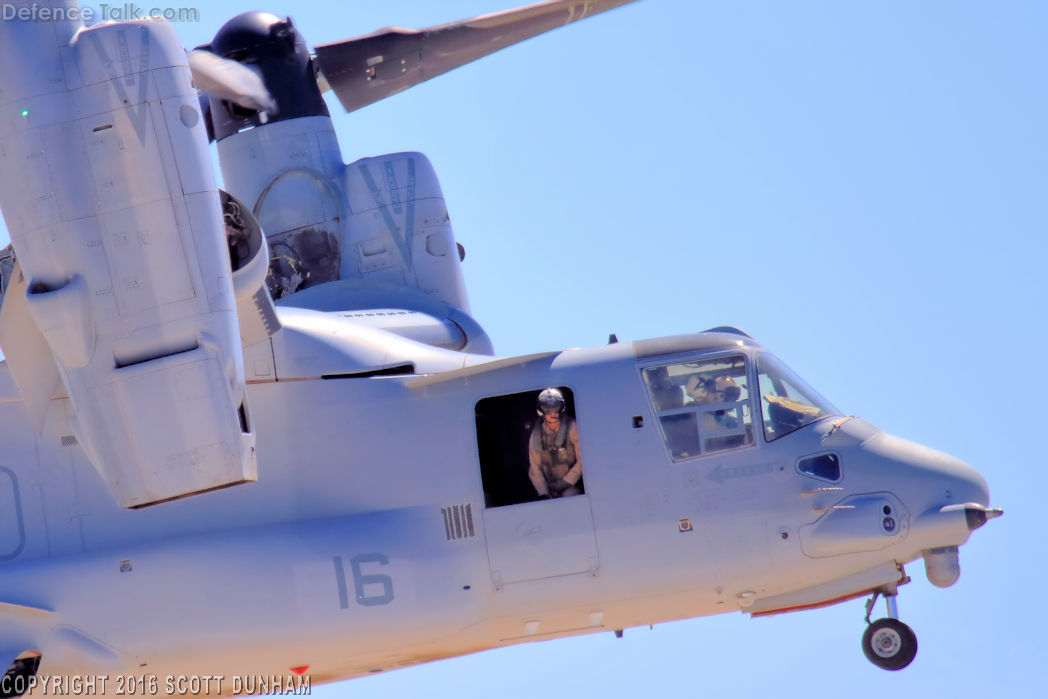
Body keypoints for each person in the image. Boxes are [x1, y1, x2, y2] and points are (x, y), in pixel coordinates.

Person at [528, 388, 583, 499]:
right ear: (541, 410)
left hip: (572, 484)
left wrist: (566, 482)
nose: (553, 414)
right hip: (550, 487)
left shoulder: (572, 427)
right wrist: (544, 492)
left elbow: (583, 459)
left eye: (556, 408)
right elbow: (534, 468)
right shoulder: (536, 435)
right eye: (547, 410)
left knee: (570, 495)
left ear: (561, 408)